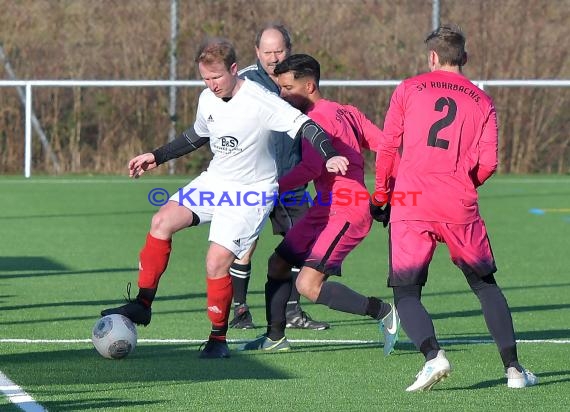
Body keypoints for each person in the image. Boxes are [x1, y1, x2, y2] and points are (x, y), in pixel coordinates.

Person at [100, 38, 349, 359]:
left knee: (216, 261)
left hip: (251, 193)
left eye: (217, 77)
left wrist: (328, 155)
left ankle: (218, 338)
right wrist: (156, 156)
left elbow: (307, 127)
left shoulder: (261, 100)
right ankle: (143, 304)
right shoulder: (207, 98)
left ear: (234, 69)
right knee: (161, 221)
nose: (211, 84)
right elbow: (197, 134)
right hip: (216, 181)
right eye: (205, 78)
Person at [374, 24, 538, 391]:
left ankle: (433, 356)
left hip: (410, 201)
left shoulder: (409, 88)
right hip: (458, 202)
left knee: (406, 293)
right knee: (485, 286)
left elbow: (388, 149)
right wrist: (464, 184)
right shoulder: (482, 101)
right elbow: (489, 162)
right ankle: (514, 371)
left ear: (432, 57)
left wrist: (381, 196)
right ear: (464, 58)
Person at [240, 54, 400, 355]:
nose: (282, 94)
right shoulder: (346, 111)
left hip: (347, 210)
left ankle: (383, 312)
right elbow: (385, 147)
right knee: (278, 264)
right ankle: (275, 337)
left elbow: (311, 169)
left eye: (288, 88)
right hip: (324, 207)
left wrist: (270, 187)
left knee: (308, 285)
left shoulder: (318, 119)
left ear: (309, 85)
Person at [229, 23, 330, 331]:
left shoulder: (299, 77)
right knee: (244, 246)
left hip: (293, 181)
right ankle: (240, 311)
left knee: (302, 244)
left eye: (279, 51)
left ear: (290, 48)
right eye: (267, 52)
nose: (273, 58)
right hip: (253, 182)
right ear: (257, 51)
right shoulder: (243, 82)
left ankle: (292, 312)